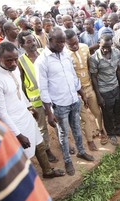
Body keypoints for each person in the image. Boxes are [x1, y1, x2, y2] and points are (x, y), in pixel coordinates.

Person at [0, 42, 65, 179]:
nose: (13, 63)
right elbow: (1, 113)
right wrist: (18, 135)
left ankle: (47, 171)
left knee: (39, 144)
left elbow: (19, 91)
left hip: (25, 115)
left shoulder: (14, 69)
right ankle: (29, 185)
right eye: (9, 60)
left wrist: (30, 107)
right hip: (14, 123)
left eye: (15, 59)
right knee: (23, 156)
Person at [34, 27, 94, 176]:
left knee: (77, 128)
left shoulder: (65, 54)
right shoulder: (42, 61)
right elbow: (43, 88)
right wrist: (49, 112)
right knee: (63, 133)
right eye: (59, 42)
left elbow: (73, 76)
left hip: (74, 99)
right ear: (50, 40)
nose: (62, 45)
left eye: (63, 42)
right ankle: (67, 160)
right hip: (59, 105)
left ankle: (81, 151)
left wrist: (81, 93)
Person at [0, 108, 59, 201]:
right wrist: (19, 134)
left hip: (24, 118)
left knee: (38, 146)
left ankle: (47, 171)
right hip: (16, 123)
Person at [17, 31, 58, 162]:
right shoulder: (21, 61)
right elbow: (21, 83)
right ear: (22, 45)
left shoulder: (43, 52)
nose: (33, 43)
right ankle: (47, 150)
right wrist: (27, 103)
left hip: (51, 95)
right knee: (42, 127)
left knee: (57, 122)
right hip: (36, 100)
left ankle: (64, 144)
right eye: (28, 42)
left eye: (33, 40)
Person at [65, 29, 108, 149]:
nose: (74, 46)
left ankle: (101, 131)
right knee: (84, 118)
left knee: (97, 112)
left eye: (76, 42)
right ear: (65, 43)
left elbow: (90, 67)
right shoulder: (64, 55)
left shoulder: (84, 48)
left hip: (89, 87)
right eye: (71, 44)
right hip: (77, 92)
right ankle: (89, 140)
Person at [89, 34, 120, 146]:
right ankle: (111, 134)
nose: (106, 49)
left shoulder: (116, 52)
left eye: (108, 46)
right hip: (104, 90)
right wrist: (99, 96)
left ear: (111, 44)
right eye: (103, 47)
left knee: (118, 110)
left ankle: (119, 129)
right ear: (99, 44)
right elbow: (94, 77)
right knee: (107, 113)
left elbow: (118, 70)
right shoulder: (94, 58)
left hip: (116, 87)